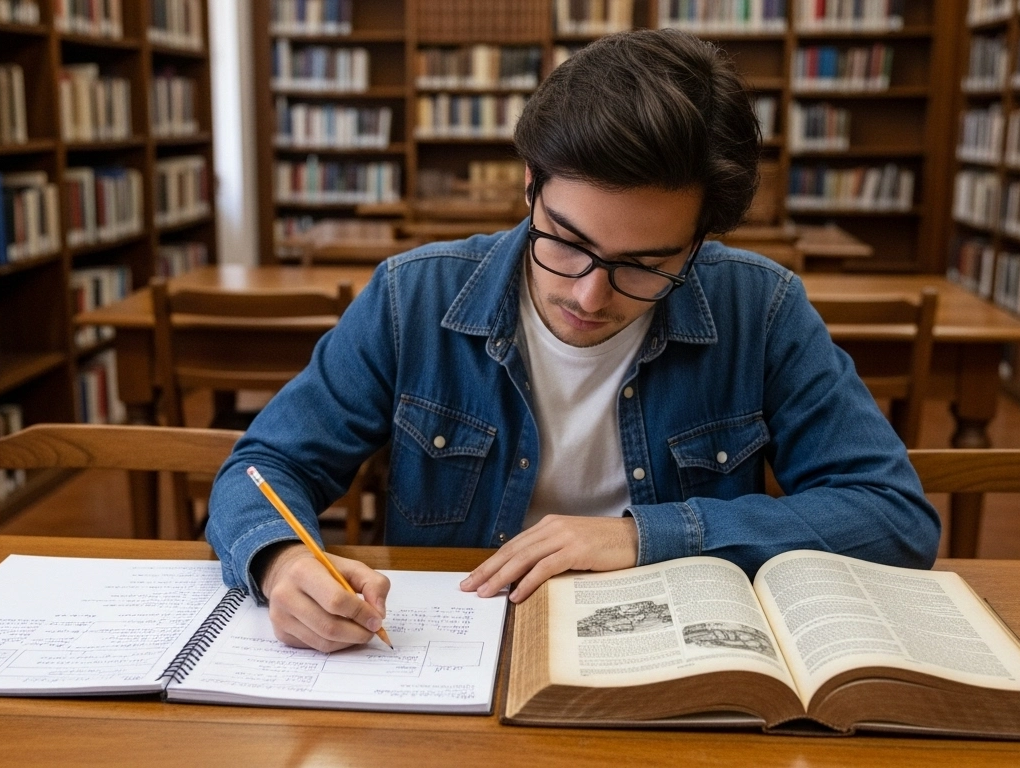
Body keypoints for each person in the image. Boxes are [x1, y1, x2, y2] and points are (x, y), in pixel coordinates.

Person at [206, 29, 941, 653]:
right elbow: (264, 466)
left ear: (699, 241)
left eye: (647, 266)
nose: (590, 295)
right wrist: (278, 560)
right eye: (566, 241)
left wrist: (649, 536)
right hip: (456, 648)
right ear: (531, 186)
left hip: (671, 651)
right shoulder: (413, 297)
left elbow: (893, 516)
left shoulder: (761, 307)